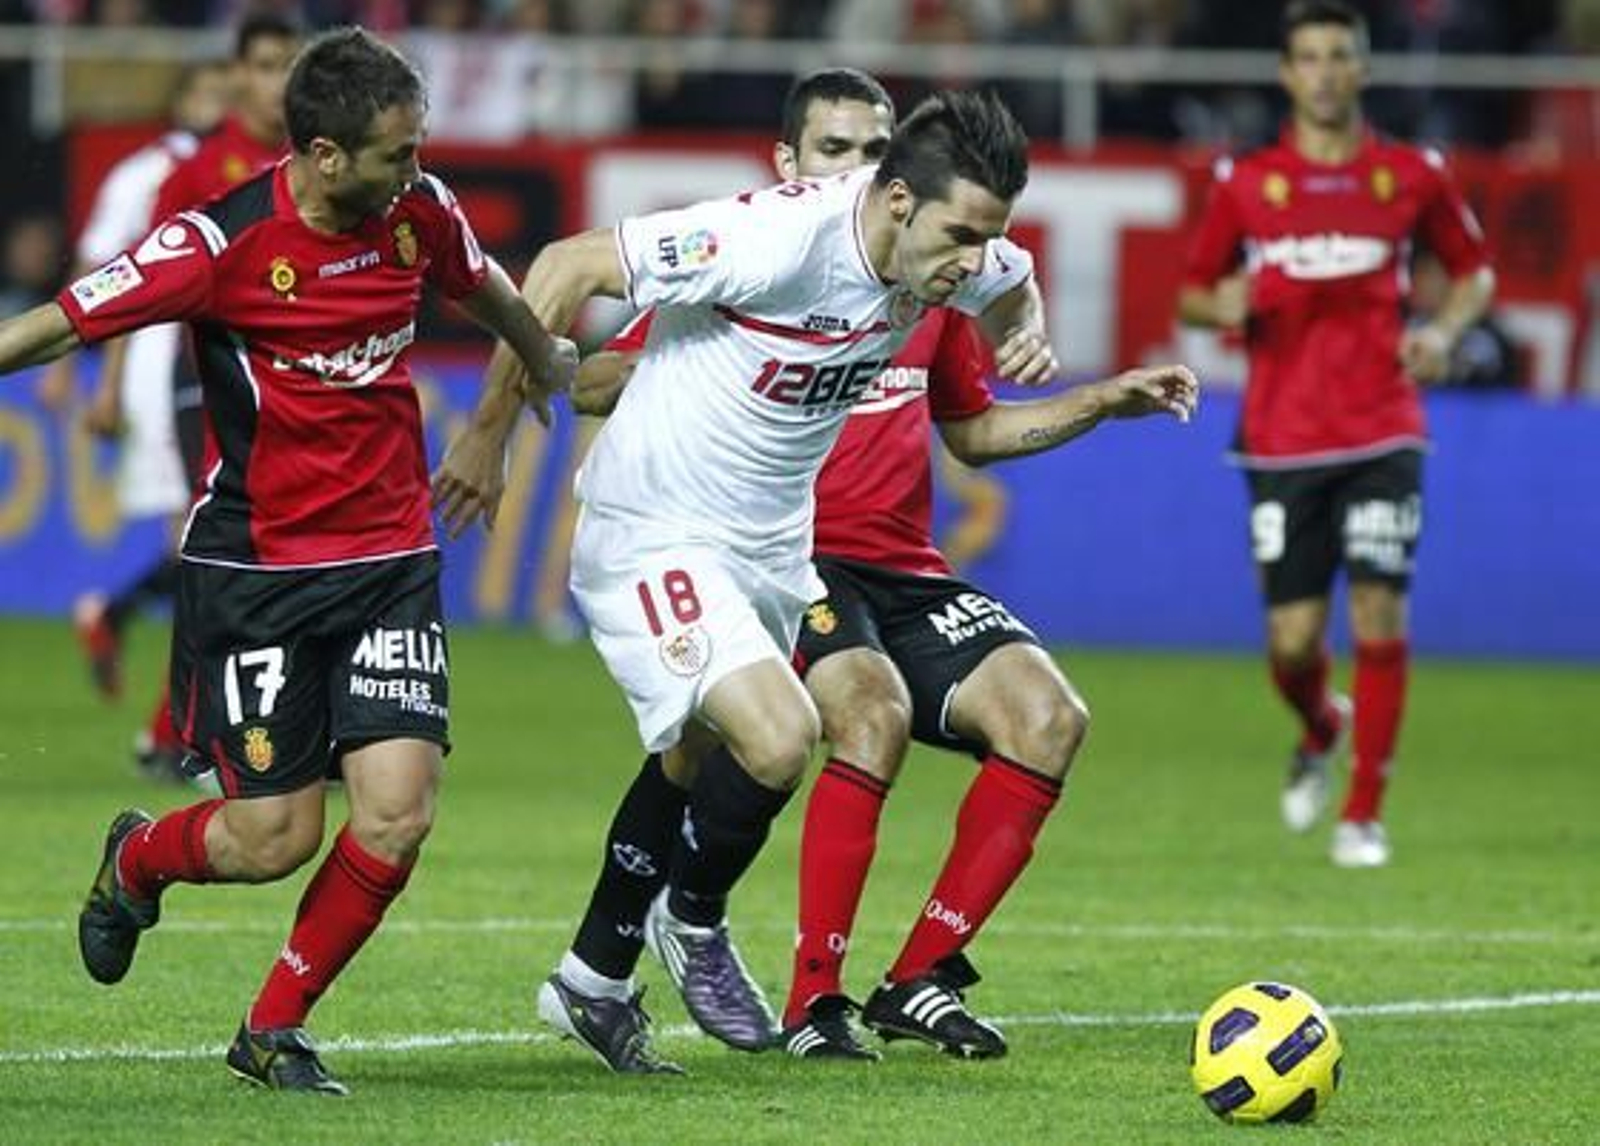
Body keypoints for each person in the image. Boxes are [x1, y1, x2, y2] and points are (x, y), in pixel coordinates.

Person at [436, 84, 1185, 1074]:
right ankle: (693, 921)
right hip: (654, 526)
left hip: (771, 547)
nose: (970, 262)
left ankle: (591, 982)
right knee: (781, 733)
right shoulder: (773, 239)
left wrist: (1023, 325)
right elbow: (567, 262)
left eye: (983, 240)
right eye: (960, 236)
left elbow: (1009, 274)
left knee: (697, 755)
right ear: (899, 201)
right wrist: (487, 434)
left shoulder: (954, 250)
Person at [0, 27, 575, 1094]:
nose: (415, 172)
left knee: (398, 812)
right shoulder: (216, 244)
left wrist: (542, 366)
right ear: (321, 155)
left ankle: (271, 1029)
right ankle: (136, 860)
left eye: (417, 150)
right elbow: (62, 323)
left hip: (390, 557)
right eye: (395, 154)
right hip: (256, 573)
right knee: (273, 839)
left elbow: (489, 287)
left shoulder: (419, 213)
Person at [1178, 0, 1494, 868]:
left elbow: (1473, 273)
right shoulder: (1247, 183)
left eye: (1338, 56)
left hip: (1384, 428)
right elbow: (1193, 293)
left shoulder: (1411, 175)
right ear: (1288, 74)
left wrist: (1443, 332)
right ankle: (1324, 720)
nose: (1323, 71)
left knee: (1380, 607)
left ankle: (1364, 811)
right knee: (1291, 644)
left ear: (1361, 69)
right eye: (1308, 57)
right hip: (1280, 438)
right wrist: (1227, 303)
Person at [67, 13, 300, 783]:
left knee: (253, 551)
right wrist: (108, 382)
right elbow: (140, 286)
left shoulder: (314, 161)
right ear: (236, 74)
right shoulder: (200, 170)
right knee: (223, 545)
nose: (276, 81)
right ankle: (184, 727)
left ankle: (184, 722)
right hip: (211, 378)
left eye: (287, 66)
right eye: (264, 65)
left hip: (294, 383)